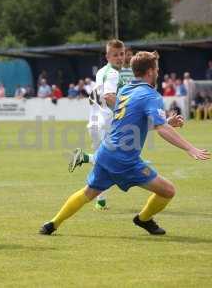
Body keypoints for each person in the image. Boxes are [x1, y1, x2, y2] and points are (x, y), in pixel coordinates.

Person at [40, 51, 210, 236]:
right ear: (150, 71)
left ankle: (52, 224)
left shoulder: (126, 90)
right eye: (157, 69)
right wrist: (189, 148)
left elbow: (134, 125)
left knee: (88, 192)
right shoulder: (151, 96)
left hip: (107, 152)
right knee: (168, 191)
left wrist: (166, 123)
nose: (158, 72)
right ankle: (143, 219)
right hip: (125, 160)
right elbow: (161, 130)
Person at [68, 39, 126, 210]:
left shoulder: (102, 71)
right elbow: (109, 97)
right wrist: (125, 112)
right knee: (113, 162)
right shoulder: (114, 74)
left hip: (95, 122)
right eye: (115, 55)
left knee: (104, 163)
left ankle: (100, 201)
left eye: (122, 54)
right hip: (107, 123)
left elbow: (97, 95)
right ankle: (84, 157)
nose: (119, 58)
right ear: (107, 56)